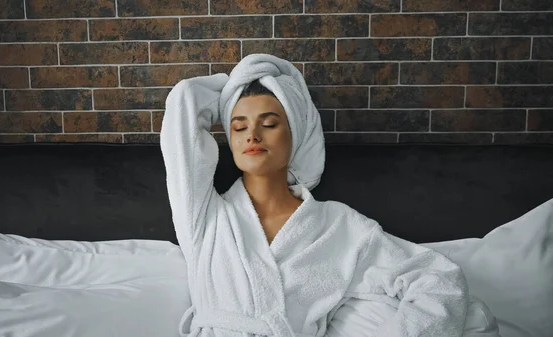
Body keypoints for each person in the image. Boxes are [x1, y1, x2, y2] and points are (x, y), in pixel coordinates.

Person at [160, 54, 469, 337]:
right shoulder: (204, 215)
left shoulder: (336, 226)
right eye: (238, 128)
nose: (252, 134)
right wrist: (232, 89)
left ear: (296, 133)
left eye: (268, 123)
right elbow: (185, 102)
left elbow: (440, 280)